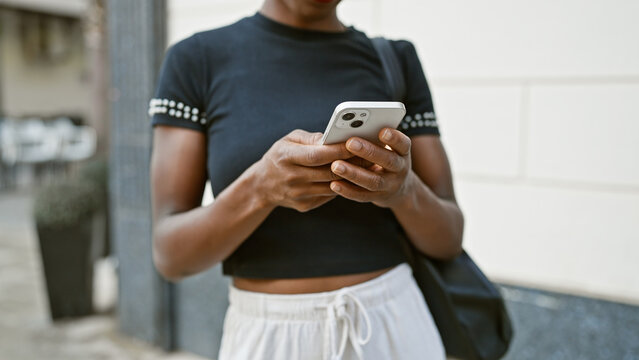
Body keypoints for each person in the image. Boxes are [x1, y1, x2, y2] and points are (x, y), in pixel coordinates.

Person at [149, 0, 464, 359]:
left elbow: (449, 238)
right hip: (269, 338)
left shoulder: (394, 59)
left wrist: (402, 190)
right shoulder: (196, 60)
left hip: (393, 326)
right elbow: (169, 255)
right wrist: (259, 190)